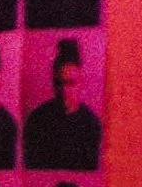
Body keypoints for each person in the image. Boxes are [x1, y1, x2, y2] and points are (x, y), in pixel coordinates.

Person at [23, 38, 101, 171]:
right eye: (59, 83)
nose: (65, 90)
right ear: (53, 82)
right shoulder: (36, 120)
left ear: (81, 82)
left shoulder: (92, 125)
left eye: (71, 83)